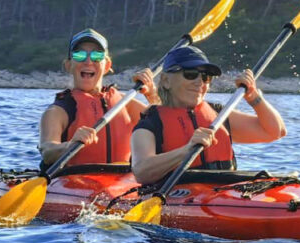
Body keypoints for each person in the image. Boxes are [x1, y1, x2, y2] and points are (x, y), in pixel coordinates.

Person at [130, 44, 286, 184]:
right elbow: (142, 172)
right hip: (176, 196)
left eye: (206, 77)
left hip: (225, 195)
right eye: (190, 74)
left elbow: (275, 131)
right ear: (166, 81)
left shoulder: (219, 115)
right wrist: (186, 150)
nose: (200, 82)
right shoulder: (150, 124)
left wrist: (253, 96)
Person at [38, 28, 158, 170]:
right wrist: (70, 145)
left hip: (122, 183)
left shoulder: (124, 104)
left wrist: (152, 95)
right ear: (68, 65)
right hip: (75, 184)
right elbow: (47, 151)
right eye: (80, 55)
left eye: (96, 56)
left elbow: (166, 126)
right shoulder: (57, 111)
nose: (88, 61)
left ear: (107, 65)